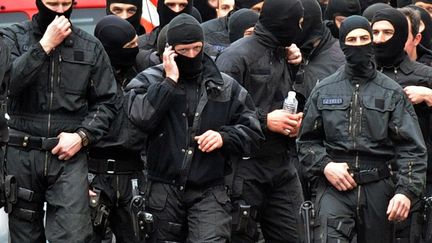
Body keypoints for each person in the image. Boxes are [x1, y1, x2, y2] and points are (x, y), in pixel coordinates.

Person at [125, 13, 263, 242]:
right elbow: (139, 119)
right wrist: (168, 82)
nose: (191, 55)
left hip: (210, 191)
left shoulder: (224, 85)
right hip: (162, 190)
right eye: (183, 50)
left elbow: (252, 131)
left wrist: (224, 137)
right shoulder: (147, 80)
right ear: (170, 51)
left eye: (196, 48)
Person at [297, 15, 427, 243]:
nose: (358, 44)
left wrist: (405, 192)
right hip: (334, 187)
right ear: (343, 44)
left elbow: (412, 148)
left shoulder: (391, 92)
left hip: (378, 188)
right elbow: (306, 142)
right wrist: (325, 165)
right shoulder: (324, 90)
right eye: (352, 39)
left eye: (364, 38)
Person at [0, 0, 118, 242]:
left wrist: (82, 136)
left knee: (73, 235)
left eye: (66, 3)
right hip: (21, 151)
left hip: (68, 154)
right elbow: (8, 85)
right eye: (53, 3)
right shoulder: (11, 37)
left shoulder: (90, 46)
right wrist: (44, 46)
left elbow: (107, 102)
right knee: (23, 236)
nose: (61, 10)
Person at [216, 0, 305, 241]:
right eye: (297, 23)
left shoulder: (283, 53)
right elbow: (216, 115)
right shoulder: (235, 57)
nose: (300, 28)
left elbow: (281, 96)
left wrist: (294, 123)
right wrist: (265, 120)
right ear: (283, 23)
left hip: (281, 164)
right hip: (243, 167)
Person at [371, 7, 432, 242]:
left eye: (388, 32)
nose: (380, 39)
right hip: (374, 177)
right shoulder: (364, 75)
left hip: (418, 177)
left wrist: (429, 95)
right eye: (375, 32)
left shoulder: (425, 75)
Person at [90, 15, 145, 243]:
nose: (136, 49)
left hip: (133, 176)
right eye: (129, 46)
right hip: (94, 175)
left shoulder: (144, 73)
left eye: (136, 43)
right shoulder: (88, 79)